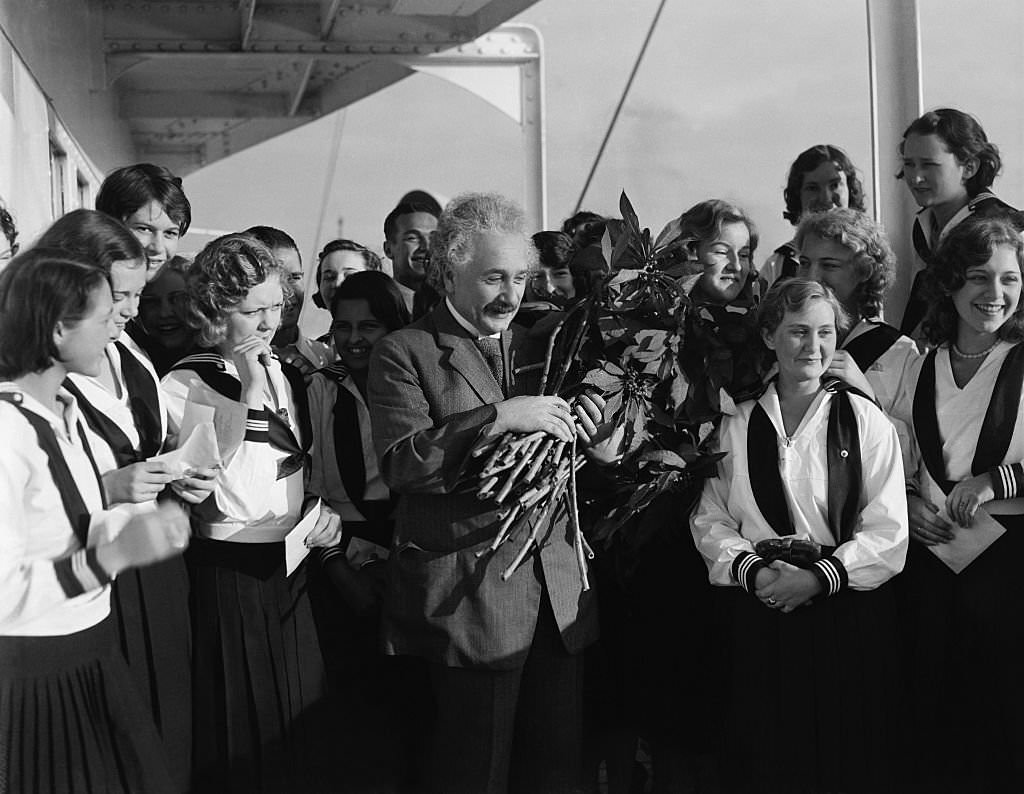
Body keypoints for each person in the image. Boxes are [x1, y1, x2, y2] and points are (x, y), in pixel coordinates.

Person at [368, 192, 609, 794]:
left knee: (556, 773)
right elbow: (404, 463)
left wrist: (602, 431)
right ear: (448, 271)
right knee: (473, 773)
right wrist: (500, 416)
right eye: (493, 278)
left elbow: (600, 453)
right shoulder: (405, 351)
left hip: (559, 600)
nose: (510, 295)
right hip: (469, 606)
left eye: (521, 277)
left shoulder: (544, 340)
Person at [691, 278, 908, 794]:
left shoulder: (864, 420)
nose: (813, 347)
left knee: (842, 751)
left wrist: (821, 578)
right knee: (765, 750)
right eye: (797, 332)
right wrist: (754, 570)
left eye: (825, 333)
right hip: (758, 606)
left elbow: (888, 529)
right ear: (768, 336)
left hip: (842, 608)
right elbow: (711, 517)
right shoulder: (736, 423)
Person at [34, 209, 214, 793]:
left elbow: (158, 441)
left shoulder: (128, 355)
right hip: (96, 573)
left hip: (158, 565)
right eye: (120, 295)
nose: (132, 311)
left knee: (172, 728)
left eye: (136, 294)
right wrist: (109, 488)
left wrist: (184, 476)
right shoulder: (36, 375)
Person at [0, 248, 190, 794]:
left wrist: (147, 527)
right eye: (105, 317)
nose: (118, 329)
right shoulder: (8, 430)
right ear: (59, 330)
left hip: (95, 652)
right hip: (35, 678)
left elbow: (76, 522)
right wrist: (116, 554)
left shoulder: (66, 410)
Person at [161, 233, 341, 793]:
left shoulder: (282, 369)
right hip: (229, 572)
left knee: (297, 719)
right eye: (250, 311)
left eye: (273, 306)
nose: (268, 322)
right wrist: (250, 390)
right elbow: (223, 485)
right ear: (213, 314)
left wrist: (316, 511)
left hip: (290, 566)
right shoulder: (184, 383)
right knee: (241, 725)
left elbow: (291, 465)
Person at [894, 214, 1024, 792]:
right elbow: (892, 459)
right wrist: (905, 501)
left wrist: (999, 480)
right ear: (949, 283)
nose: (994, 294)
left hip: (1011, 567)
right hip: (936, 562)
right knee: (938, 716)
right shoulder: (920, 363)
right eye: (978, 277)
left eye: (1009, 279)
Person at [306, 270, 422, 791]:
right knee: (355, 708)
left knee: (413, 706)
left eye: (369, 326)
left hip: (412, 547)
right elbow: (302, 486)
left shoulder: (415, 385)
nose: (353, 339)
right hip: (338, 550)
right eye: (342, 326)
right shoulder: (317, 390)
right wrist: (344, 559)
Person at [897, 108, 1023, 336]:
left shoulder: (1008, 229)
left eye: (929, 165)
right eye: (909, 164)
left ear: (969, 167)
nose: (915, 177)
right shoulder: (924, 226)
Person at [795, 207, 920, 415]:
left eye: (829, 265)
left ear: (865, 271)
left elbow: (910, 446)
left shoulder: (898, 352)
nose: (812, 277)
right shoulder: (783, 340)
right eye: (805, 264)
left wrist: (866, 396)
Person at [761, 144, 866, 285]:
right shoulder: (779, 266)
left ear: (850, 189)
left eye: (834, 185)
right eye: (813, 188)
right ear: (798, 196)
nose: (826, 199)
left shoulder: (870, 257)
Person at [246, 225, 334, 377]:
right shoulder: (222, 366)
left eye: (295, 277)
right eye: (276, 279)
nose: (287, 291)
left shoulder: (327, 360)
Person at [96, 163, 192, 278]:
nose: (158, 247)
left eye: (170, 233)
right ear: (109, 225)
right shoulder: (76, 288)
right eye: (144, 229)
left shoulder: (187, 286)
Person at [132, 255, 196, 376]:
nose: (164, 313)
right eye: (151, 302)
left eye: (178, 299)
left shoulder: (224, 361)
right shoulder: (131, 362)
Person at [381, 198, 440, 310]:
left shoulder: (458, 306)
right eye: (412, 238)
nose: (426, 247)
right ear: (388, 249)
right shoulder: (375, 306)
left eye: (433, 238)